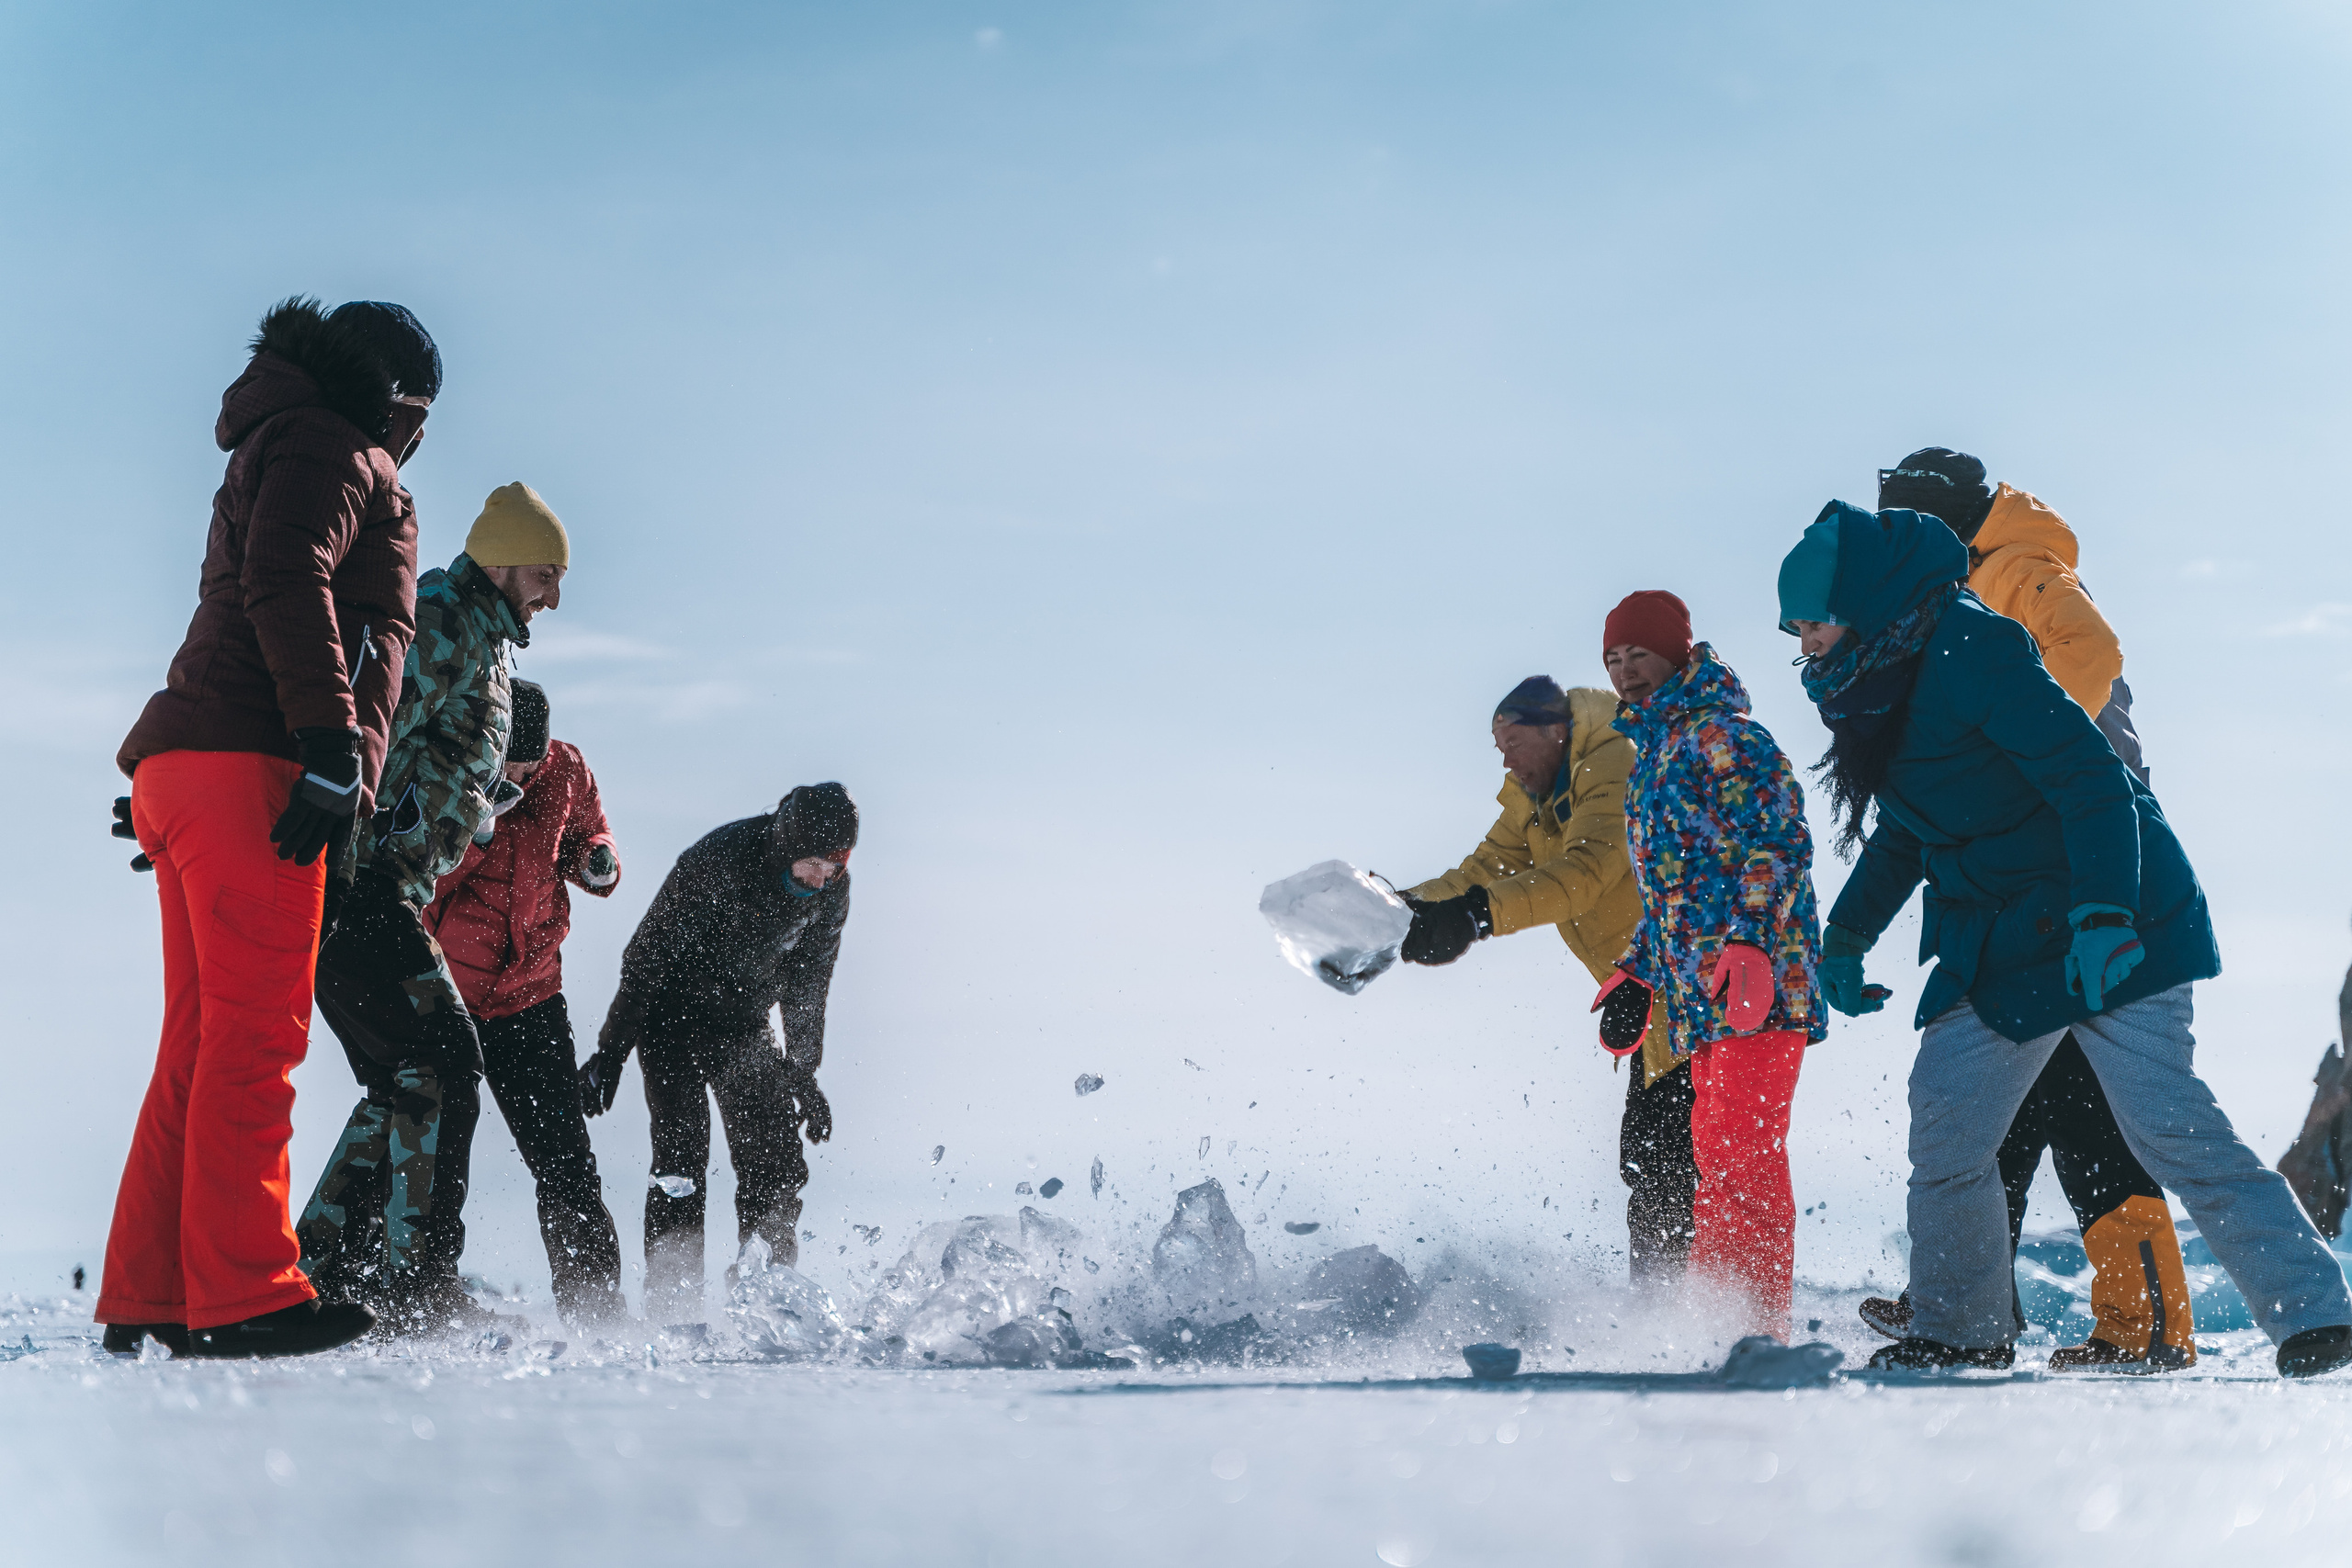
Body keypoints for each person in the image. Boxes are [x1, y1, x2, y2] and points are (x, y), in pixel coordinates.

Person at [1783, 501, 2352, 1376]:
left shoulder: (1973, 650)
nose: (1804, 645)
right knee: (1949, 1120)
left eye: (1813, 622)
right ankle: (1961, 1325)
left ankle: (2316, 1313)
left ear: (1864, 603)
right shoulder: (1879, 685)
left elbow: (2093, 779)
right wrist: (1847, 935)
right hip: (2008, 931)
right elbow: (1908, 826)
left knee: (2168, 1126)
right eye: (1795, 629)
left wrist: (2103, 918)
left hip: (2117, 910)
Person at [100, 297, 439, 1359]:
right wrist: (333, 749)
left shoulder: (281, 440)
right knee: (255, 1041)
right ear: (393, 400)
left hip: (200, 762)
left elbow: (258, 591)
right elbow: (285, 578)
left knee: (200, 1046)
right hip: (261, 767)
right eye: (420, 413)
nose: (420, 438)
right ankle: (246, 1293)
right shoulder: (338, 449)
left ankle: (153, 1291)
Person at [1859, 449, 2194, 1371]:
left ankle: (2134, 1323)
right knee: (2011, 1097)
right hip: (2026, 863)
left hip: (2080, 861)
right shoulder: (1958, 592)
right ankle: (1971, 1306)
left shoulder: (2022, 571)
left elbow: (2091, 655)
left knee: (2071, 1096)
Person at [296, 482, 571, 1336]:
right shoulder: (448, 619)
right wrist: (344, 864)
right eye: (545, 572)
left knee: (405, 1077)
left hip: (392, 890)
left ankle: (322, 1265)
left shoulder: (487, 643)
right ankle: (418, 1279)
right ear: (505, 559)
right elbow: (377, 730)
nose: (553, 595)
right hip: (360, 883)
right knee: (445, 1059)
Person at [1396, 675, 1694, 1283]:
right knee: (1649, 1158)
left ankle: (1703, 1317)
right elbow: (1484, 868)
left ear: (1554, 728)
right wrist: (1396, 909)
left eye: (1512, 741)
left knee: (1675, 1161)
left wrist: (1477, 916)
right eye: (1497, 745)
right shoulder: (1535, 797)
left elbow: (1587, 871)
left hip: (1693, 995)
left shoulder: (1615, 759)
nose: (1504, 757)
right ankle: (1667, 1314)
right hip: (1652, 1008)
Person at [1593, 592, 1826, 1338]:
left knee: (1741, 1157)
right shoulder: (1653, 760)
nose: (1626, 672)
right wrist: (1638, 972)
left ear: (1676, 653)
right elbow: (1674, 895)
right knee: (1715, 1156)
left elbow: (1779, 839)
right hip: (1703, 1001)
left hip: (1763, 982)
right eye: (1613, 660)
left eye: (1638, 655)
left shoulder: (1726, 737)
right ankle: (1717, 1324)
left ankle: (1755, 1329)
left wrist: (1752, 940)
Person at [581, 784, 856, 1321]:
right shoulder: (719, 861)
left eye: (835, 866)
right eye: (812, 864)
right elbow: (646, 956)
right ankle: (672, 1306)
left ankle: (766, 1301)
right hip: (671, 1019)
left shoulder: (830, 894)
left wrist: (802, 1073)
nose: (821, 878)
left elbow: (809, 981)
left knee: (774, 1161)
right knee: (681, 1166)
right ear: (786, 845)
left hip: (744, 1027)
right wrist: (611, 1052)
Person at [422, 680, 628, 1328]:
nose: (519, 774)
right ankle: (422, 1286)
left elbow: (590, 835)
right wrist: (476, 828)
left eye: (529, 766)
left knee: (567, 1159)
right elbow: (422, 876)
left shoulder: (565, 770)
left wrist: (599, 862)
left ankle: (594, 1304)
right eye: (511, 762)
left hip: (532, 994)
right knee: (433, 1149)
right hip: (449, 992)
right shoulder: (456, 768)